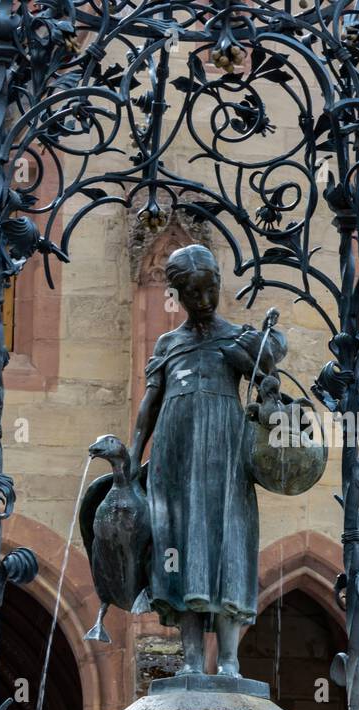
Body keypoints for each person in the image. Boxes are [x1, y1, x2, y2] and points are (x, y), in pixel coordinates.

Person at [130, 244, 286, 678]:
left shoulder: (236, 339)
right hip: (174, 461)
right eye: (193, 293)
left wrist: (268, 376)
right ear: (177, 295)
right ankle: (193, 661)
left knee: (227, 544)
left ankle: (231, 660)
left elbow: (267, 375)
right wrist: (132, 453)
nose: (203, 301)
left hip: (224, 460)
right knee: (179, 550)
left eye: (210, 290)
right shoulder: (168, 344)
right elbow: (149, 406)